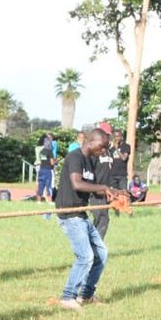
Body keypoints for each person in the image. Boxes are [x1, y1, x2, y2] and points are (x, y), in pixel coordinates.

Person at [54, 128, 114, 310]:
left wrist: (114, 192)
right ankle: (67, 297)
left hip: (80, 214)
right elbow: (77, 183)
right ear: (91, 141)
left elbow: (91, 186)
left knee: (101, 254)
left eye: (105, 148)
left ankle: (86, 295)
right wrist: (103, 187)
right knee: (85, 256)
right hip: (69, 214)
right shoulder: (75, 157)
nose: (103, 151)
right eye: (102, 147)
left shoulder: (91, 160)